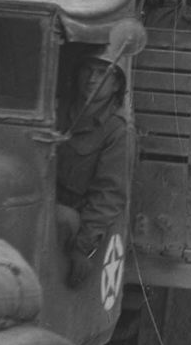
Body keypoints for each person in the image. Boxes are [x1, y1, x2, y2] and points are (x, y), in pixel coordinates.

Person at [54, 50, 136, 289]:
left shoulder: (118, 131)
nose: (91, 79)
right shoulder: (56, 110)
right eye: (87, 70)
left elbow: (109, 195)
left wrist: (82, 248)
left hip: (75, 221)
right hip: (41, 205)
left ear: (116, 84)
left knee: (63, 219)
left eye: (103, 73)